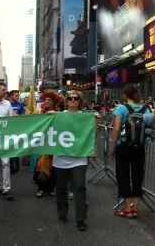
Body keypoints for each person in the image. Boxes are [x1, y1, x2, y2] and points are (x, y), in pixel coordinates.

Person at [52, 90, 100, 231]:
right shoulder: (58, 116)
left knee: (79, 187)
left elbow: (92, 135)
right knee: (61, 188)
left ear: (80, 101)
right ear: (66, 101)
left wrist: (96, 122)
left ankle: (81, 219)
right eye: (70, 98)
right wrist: (47, 117)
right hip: (60, 157)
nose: (73, 100)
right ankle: (62, 213)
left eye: (76, 98)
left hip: (79, 158)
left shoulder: (86, 117)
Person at [111, 84, 150, 218]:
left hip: (123, 146)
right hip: (139, 147)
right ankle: (135, 209)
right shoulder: (145, 109)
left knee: (123, 176)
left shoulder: (121, 108)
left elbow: (116, 129)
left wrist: (113, 146)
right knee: (137, 175)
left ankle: (126, 209)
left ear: (125, 95)